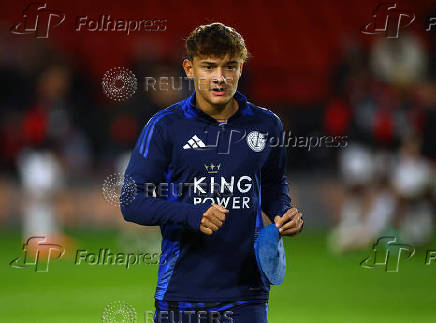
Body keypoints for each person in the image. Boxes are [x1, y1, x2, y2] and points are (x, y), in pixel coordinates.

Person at [121, 22, 303, 323]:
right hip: (183, 292)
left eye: (229, 66)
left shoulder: (266, 125)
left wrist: (284, 211)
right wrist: (192, 214)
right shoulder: (165, 127)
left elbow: (271, 184)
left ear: (241, 68)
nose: (220, 78)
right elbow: (131, 201)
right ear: (189, 69)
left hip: (249, 293)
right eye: (209, 67)